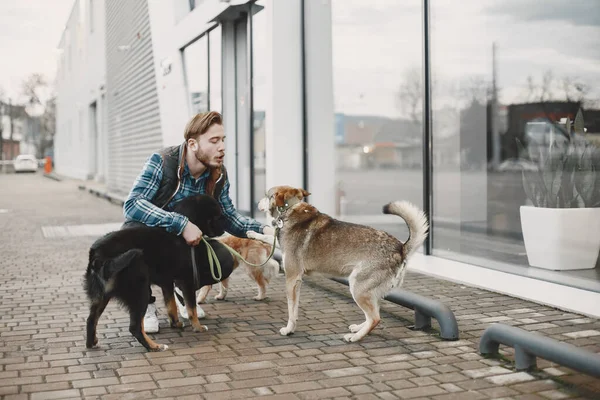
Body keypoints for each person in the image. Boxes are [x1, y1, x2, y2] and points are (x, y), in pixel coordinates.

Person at [122, 111, 275, 333]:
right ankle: (144, 303)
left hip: (184, 246)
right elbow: (133, 204)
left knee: (223, 258)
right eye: (214, 141)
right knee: (127, 243)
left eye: (223, 140)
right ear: (193, 144)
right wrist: (181, 224)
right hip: (151, 238)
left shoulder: (218, 174)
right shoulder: (162, 161)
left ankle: (181, 292)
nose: (222, 147)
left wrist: (264, 230)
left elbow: (228, 217)